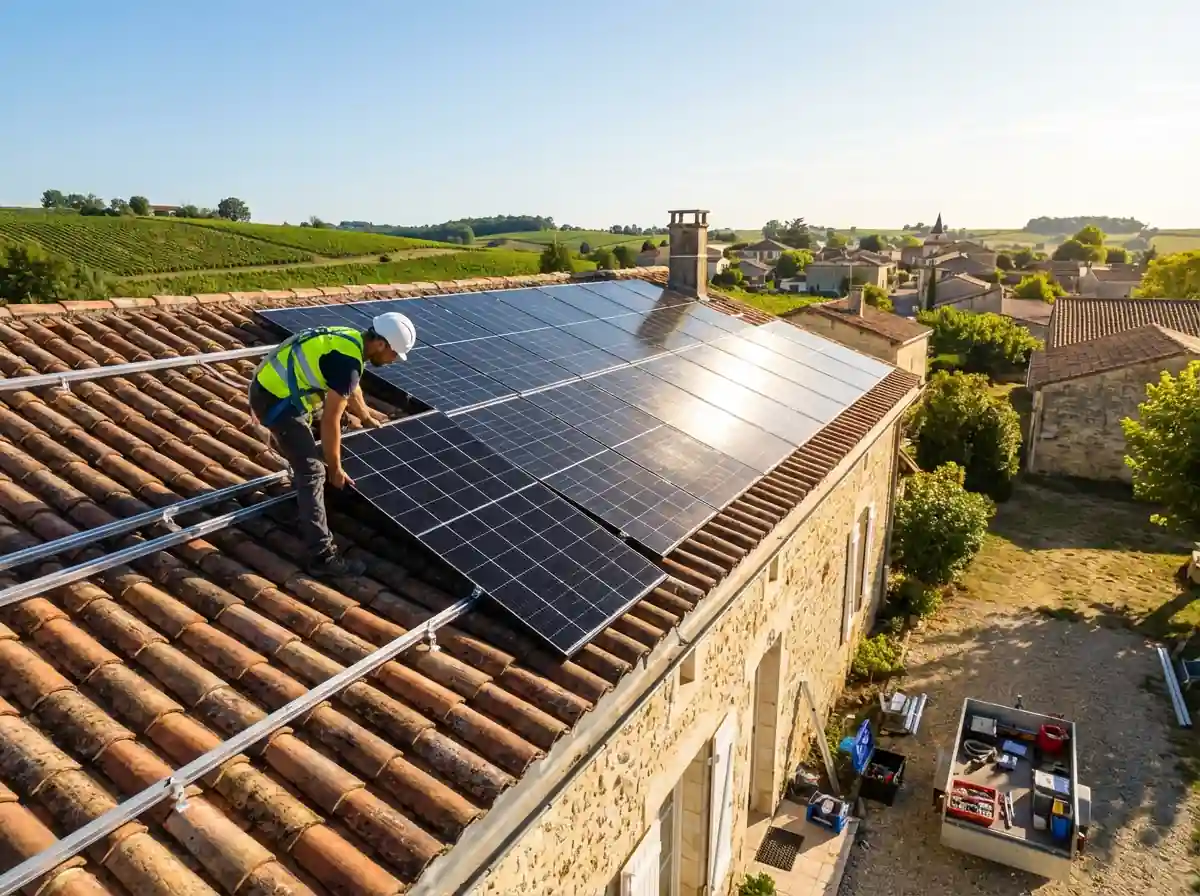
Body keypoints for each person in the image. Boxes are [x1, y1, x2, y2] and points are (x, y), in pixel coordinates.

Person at [249, 312, 417, 578]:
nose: (394, 360)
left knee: (348, 429)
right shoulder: (347, 363)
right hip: (276, 402)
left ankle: (317, 502)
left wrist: (366, 416)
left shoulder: (353, 340)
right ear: (381, 344)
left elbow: (352, 388)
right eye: (395, 354)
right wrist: (336, 468)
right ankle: (321, 556)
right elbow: (330, 422)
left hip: (289, 391)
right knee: (313, 470)